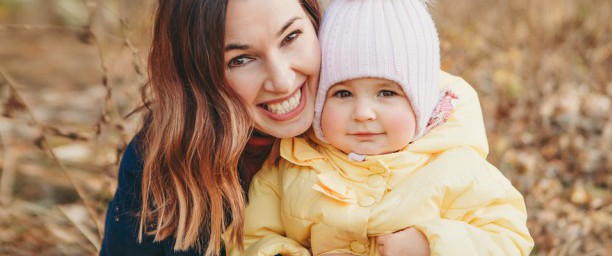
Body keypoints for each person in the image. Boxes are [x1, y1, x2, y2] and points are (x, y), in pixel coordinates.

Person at [100, 0, 434, 255]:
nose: (282, 80)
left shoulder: (405, 116)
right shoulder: (165, 164)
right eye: (241, 59)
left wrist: (434, 243)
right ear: (201, 76)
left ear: (315, 22)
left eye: (291, 37)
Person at [234, 0, 535, 255]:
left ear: (421, 101)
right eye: (342, 93)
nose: (363, 113)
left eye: (387, 93)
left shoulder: (456, 167)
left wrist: (431, 245)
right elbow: (251, 240)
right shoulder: (288, 166)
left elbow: (509, 238)